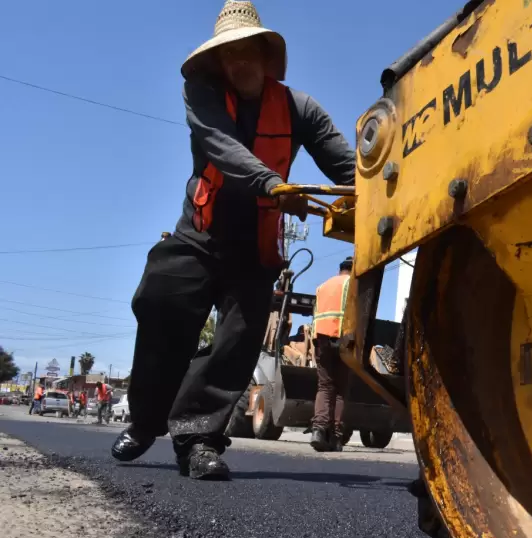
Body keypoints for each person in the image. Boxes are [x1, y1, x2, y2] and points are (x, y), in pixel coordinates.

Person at [110, 0, 356, 480]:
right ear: (220, 62)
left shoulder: (298, 108)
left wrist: (380, 196)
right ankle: (145, 420)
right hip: (200, 233)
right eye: (230, 54)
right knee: (160, 302)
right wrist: (270, 182)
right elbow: (222, 147)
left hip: (256, 243)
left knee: (238, 340)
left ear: (266, 57)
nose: (240, 62)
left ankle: (200, 439)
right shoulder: (201, 93)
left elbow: (347, 168)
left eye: (248, 51)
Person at [310, 257, 353, 452]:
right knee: (341, 390)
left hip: (322, 340)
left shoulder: (323, 286)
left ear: (340, 269)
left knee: (325, 386)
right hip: (345, 339)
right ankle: (336, 437)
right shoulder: (353, 284)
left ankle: (318, 431)